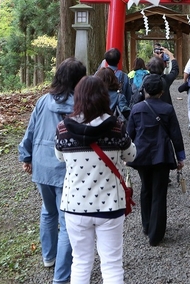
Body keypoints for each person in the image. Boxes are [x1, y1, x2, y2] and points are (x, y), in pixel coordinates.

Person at [55, 76, 137, 284]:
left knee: (81, 261)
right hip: (111, 205)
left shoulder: (63, 129)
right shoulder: (117, 128)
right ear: (103, 98)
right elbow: (131, 156)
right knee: (111, 263)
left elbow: (60, 157)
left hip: (75, 205)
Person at [18, 57, 86, 284]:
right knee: (67, 222)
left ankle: (49, 256)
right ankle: (62, 277)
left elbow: (30, 132)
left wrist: (25, 156)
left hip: (41, 165)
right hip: (67, 167)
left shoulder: (43, 101)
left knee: (48, 211)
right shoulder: (81, 104)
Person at [126, 74, 186, 246]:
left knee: (146, 189)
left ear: (144, 90)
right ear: (161, 91)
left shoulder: (136, 109)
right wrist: (180, 157)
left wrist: (126, 155)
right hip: (162, 155)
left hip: (141, 155)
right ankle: (156, 233)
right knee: (159, 192)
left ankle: (146, 225)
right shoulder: (167, 109)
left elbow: (130, 134)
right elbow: (176, 134)